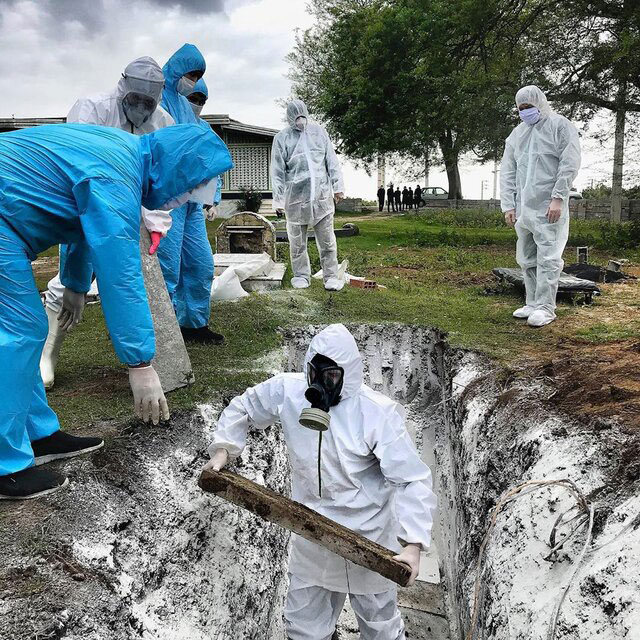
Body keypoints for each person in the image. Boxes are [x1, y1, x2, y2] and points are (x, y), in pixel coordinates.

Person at [0, 122, 232, 500]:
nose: (186, 196)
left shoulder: (124, 154)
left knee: (27, 329)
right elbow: (120, 272)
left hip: (7, 217)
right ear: (178, 167)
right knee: (19, 330)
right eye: (192, 185)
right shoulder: (117, 176)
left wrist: (76, 284)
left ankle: (37, 434)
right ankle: (4, 464)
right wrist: (140, 363)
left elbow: (81, 224)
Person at [203, 324, 437, 640]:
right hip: (311, 533)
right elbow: (245, 406)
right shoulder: (289, 391)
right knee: (304, 626)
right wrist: (223, 450)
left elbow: (411, 479)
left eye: (331, 377)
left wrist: (413, 544)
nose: (319, 384)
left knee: (380, 626)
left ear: (348, 376)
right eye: (315, 374)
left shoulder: (375, 413)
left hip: (370, 539)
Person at [40, 57, 175, 390]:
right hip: (89, 202)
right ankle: (46, 353)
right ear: (123, 87)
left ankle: (147, 361)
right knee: (67, 281)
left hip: (133, 210)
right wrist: (77, 277)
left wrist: (157, 224)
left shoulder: (163, 123)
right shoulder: (92, 109)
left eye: (148, 102)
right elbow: (76, 168)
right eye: (135, 99)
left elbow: (161, 181)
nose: (141, 108)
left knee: (130, 280)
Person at [157, 44, 225, 344]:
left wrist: (213, 199)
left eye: (198, 81)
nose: (192, 88)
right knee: (167, 266)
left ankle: (194, 324)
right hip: (166, 202)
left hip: (193, 204)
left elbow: (211, 164)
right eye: (191, 77)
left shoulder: (193, 118)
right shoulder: (158, 104)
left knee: (200, 263)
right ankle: (165, 331)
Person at [501, 85, 581, 327]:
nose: (525, 111)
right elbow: (508, 171)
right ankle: (532, 302)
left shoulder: (559, 126)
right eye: (521, 108)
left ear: (540, 103)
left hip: (548, 206)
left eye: (529, 106)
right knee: (526, 257)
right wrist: (508, 205)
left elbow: (569, 163)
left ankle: (546, 307)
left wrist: (558, 197)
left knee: (548, 256)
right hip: (524, 207)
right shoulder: (517, 134)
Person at [271, 99, 345, 291]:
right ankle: (301, 276)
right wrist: (278, 200)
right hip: (295, 200)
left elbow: (331, 161)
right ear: (289, 118)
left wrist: (338, 187)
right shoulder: (282, 138)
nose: (300, 121)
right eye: (296, 118)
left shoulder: (319, 133)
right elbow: (277, 171)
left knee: (328, 241)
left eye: (302, 116)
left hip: (322, 198)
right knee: (297, 243)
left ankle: (331, 276)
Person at [185, 77, 225, 222]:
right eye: (193, 99)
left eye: (201, 102)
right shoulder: (170, 123)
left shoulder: (204, 128)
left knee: (200, 238)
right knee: (171, 237)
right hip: (171, 202)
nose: (197, 105)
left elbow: (213, 167)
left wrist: (211, 201)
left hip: (195, 201)